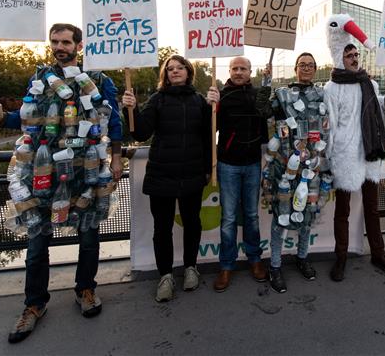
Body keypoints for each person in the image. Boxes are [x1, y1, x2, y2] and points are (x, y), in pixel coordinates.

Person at [0, 23, 123, 343]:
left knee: (88, 237)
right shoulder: (39, 79)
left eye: (66, 42)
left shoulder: (99, 80)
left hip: (85, 173)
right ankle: (34, 305)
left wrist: (115, 158)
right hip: (42, 173)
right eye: (55, 41)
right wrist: (1, 116)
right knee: (36, 243)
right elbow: (25, 118)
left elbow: (113, 122)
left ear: (79, 45)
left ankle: (85, 289)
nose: (60, 46)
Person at [324, 14, 385, 281]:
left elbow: (378, 112)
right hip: (345, 156)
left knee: (373, 207)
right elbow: (332, 127)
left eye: (356, 53)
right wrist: (330, 158)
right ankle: (341, 257)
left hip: (370, 152)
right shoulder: (331, 87)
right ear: (339, 57)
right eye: (349, 54)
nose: (354, 57)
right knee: (343, 211)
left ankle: (379, 254)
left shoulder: (369, 83)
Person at [122, 55, 212, 301]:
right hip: (162, 174)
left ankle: (191, 268)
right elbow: (140, 132)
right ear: (165, 75)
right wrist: (130, 108)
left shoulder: (200, 101)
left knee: (192, 223)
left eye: (179, 67)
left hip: (192, 173)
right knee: (162, 229)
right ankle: (165, 276)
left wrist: (215, 106)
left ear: (188, 71)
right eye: (170, 69)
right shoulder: (157, 100)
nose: (175, 71)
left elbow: (208, 134)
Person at [259, 52, 329, 293]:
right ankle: (275, 266)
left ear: (315, 68)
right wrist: (266, 82)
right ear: (296, 67)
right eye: (302, 64)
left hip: (311, 167)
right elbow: (262, 112)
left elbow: (331, 123)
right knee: (282, 217)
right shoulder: (282, 94)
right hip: (285, 168)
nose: (307, 68)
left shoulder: (322, 94)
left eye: (311, 65)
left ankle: (302, 257)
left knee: (307, 215)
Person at [206, 57, 270, 292]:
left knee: (252, 216)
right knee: (229, 219)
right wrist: (210, 105)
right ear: (229, 71)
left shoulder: (258, 94)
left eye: (243, 68)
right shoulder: (221, 96)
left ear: (250, 72)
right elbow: (209, 128)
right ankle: (226, 265)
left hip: (253, 163)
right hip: (228, 164)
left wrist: (268, 84)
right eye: (235, 68)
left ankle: (255, 259)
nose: (239, 72)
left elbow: (267, 121)